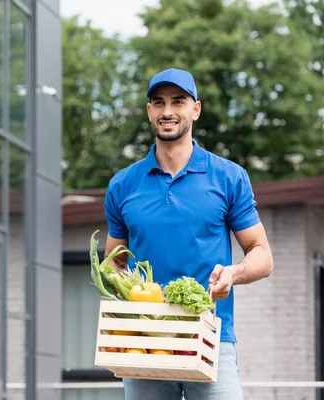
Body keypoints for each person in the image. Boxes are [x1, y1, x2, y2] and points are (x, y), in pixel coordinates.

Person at [103, 68, 274, 400]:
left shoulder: (228, 177)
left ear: (195, 109)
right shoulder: (123, 185)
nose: (168, 111)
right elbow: (114, 263)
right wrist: (121, 293)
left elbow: (262, 255)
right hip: (146, 339)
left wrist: (233, 274)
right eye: (159, 102)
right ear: (149, 111)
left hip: (211, 336)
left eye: (178, 101)